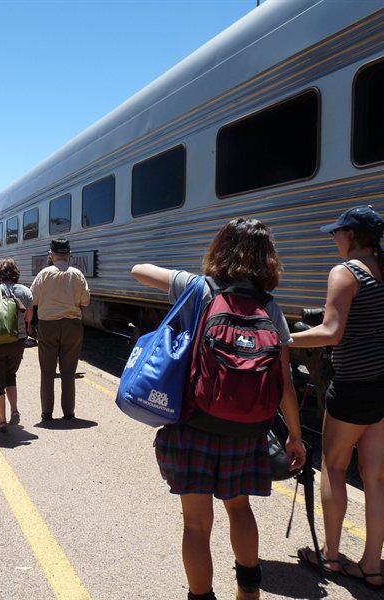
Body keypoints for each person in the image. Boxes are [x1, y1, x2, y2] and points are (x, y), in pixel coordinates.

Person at [131, 218, 306, 600]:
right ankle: (249, 592)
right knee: (240, 510)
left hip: (195, 422)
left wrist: (187, 279)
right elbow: (284, 381)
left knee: (196, 524)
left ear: (220, 249)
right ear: (268, 260)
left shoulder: (198, 288)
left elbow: (138, 271)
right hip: (247, 430)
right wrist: (294, 435)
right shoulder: (269, 307)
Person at [291, 206, 384, 592]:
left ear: (353, 236)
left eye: (337, 233)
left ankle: (333, 555)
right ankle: (372, 566)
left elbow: (332, 332)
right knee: (376, 474)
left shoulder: (344, 272)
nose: (334, 239)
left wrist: (283, 339)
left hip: (357, 383)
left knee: (335, 467)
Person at [29, 238, 90, 420]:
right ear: (69, 255)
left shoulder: (44, 274)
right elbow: (85, 301)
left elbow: (33, 301)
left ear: (51, 255)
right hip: (72, 326)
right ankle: (68, 413)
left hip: (48, 326)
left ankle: (47, 413)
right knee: (68, 372)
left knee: (47, 372)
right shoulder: (77, 274)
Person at [0, 258, 33, 431]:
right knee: (10, 375)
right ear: (15, 273)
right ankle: (14, 410)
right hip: (18, 341)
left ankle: (2, 421)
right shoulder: (26, 292)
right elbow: (29, 318)